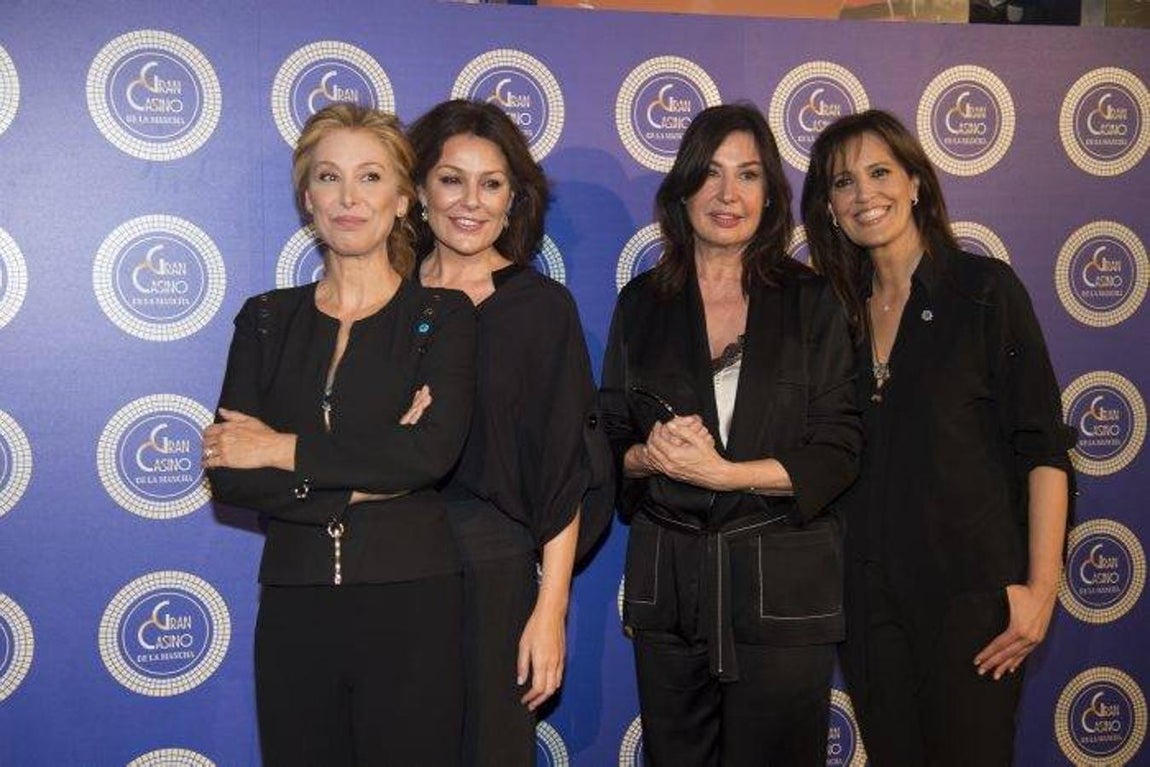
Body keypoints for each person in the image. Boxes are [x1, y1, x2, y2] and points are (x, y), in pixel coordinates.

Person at [202, 103, 476, 766]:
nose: (349, 197)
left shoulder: (442, 315)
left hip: (411, 601)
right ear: (307, 198)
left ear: (404, 199)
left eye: (372, 177)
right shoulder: (265, 320)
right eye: (329, 177)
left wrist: (281, 447)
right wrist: (364, 479)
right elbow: (231, 470)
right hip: (297, 609)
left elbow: (430, 452)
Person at [800, 108, 1074, 766]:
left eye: (880, 172)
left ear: (916, 182)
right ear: (829, 210)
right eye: (843, 183)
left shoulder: (985, 292)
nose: (865, 194)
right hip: (868, 605)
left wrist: (1041, 590)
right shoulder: (834, 314)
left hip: (971, 602)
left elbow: (1042, 449)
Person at [600, 103, 862, 766]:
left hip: (782, 593)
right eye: (711, 173)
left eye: (748, 175)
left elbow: (838, 448)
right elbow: (605, 436)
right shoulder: (641, 304)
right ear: (683, 188)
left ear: (770, 195)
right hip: (672, 590)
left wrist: (728, 474)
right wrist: (642, 455)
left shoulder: (812, 300)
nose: (727, 194)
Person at [408, 99, 613, 767]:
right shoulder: (382, 299)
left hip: (493, 571)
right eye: (451, 178)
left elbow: (563, 469)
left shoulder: (539, 309)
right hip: (388, 567)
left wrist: (549, 610)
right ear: (418, 189)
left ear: (512, 200)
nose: (470, 201)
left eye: (491, 183)